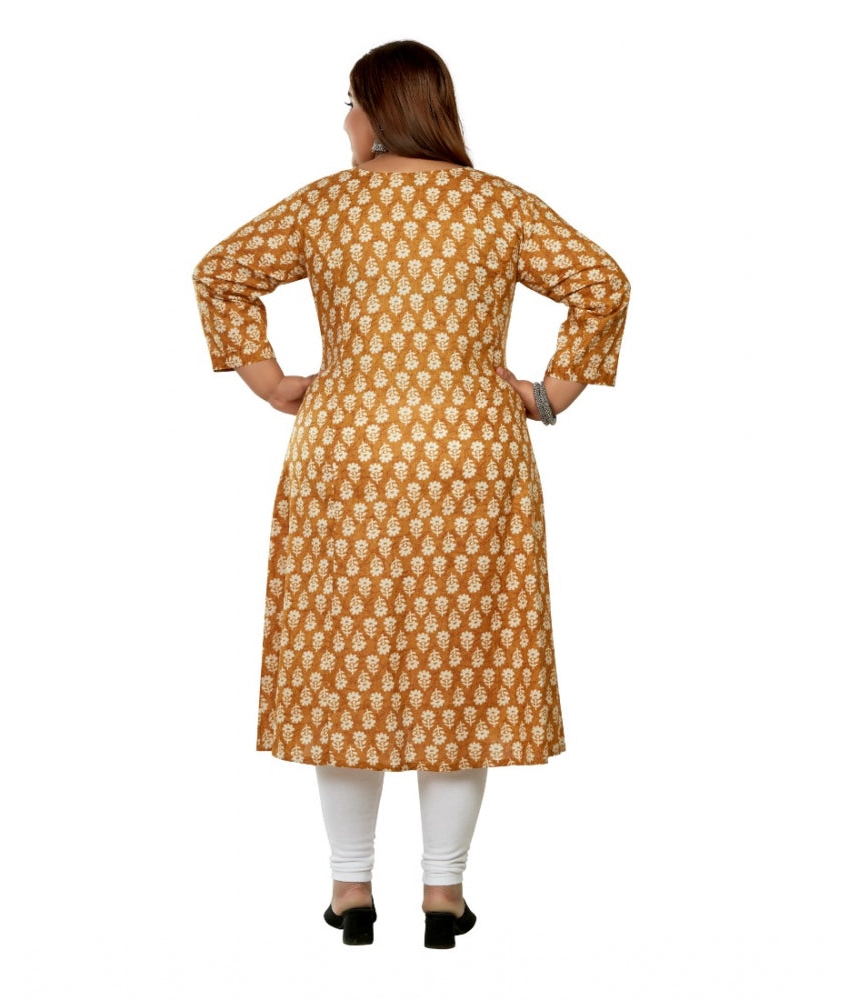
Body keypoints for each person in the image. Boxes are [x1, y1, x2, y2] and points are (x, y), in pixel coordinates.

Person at [192, 40, 630, 949]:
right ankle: (443, 896)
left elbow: (220, 271)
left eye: (350, 103)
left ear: (379, 108)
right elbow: (602, 283)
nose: (345, 120)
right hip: (471, 457)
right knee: (460, 666)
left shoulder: (325, 206)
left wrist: (272, 384)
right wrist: (549, 394)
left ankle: (352, 891)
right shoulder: (498, 206)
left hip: (348, 452)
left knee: (345, 666)